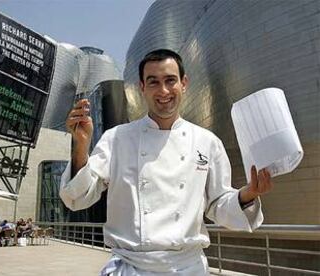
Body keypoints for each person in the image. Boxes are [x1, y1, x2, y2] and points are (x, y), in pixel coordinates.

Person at [60, 49, 274, 275]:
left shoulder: (207, 142)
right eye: (153, 82)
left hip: (187, 268)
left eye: (170, 80)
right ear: (142, 87)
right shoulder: (116, 138)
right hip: (131, 267)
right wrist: (82, 146)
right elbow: (78, 197)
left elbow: (218, 203)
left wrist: (248, 194)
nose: (163, 91)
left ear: (184, 83)